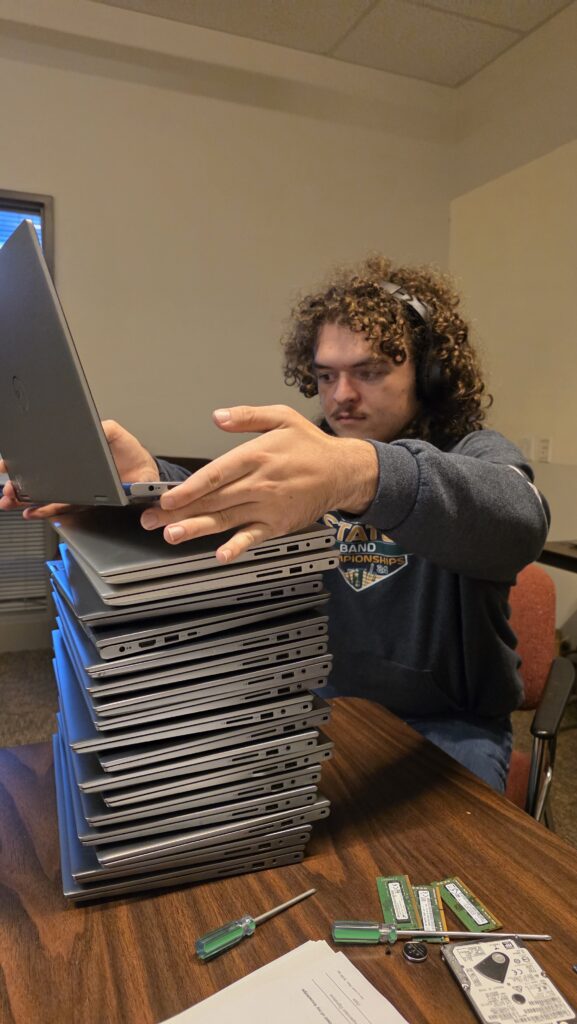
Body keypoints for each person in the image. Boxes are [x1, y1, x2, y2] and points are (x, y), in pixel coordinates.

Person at [0, 255, 549, 792]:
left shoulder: (473, 452)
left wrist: (362, 473)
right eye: (326, 375)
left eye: (369, 372)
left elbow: (520, 520)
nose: (341, 395)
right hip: (313, 704)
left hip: (448, 726)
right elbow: (229, 506)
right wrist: (148, 484)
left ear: (428, 376)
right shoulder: (308, 459)